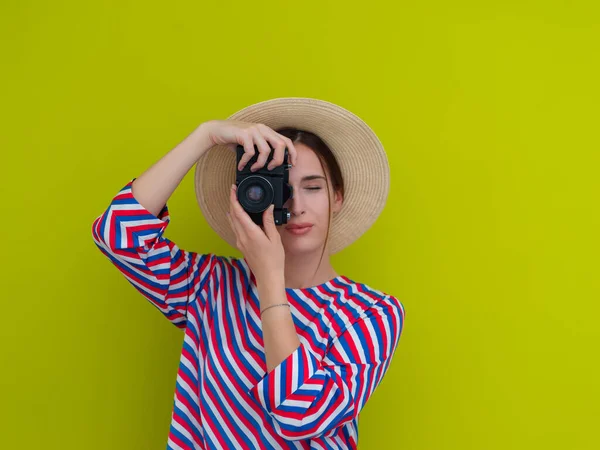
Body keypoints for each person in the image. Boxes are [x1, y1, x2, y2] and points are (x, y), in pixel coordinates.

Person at [91, 97, 406, 449]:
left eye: (313, 187)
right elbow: (117, 235)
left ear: (337, 197)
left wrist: (270, 278)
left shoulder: (371, 314)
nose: (296, 206)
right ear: (249, 196)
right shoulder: (210, 285)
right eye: (281, 189)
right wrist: (205, 135)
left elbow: (300, 414)